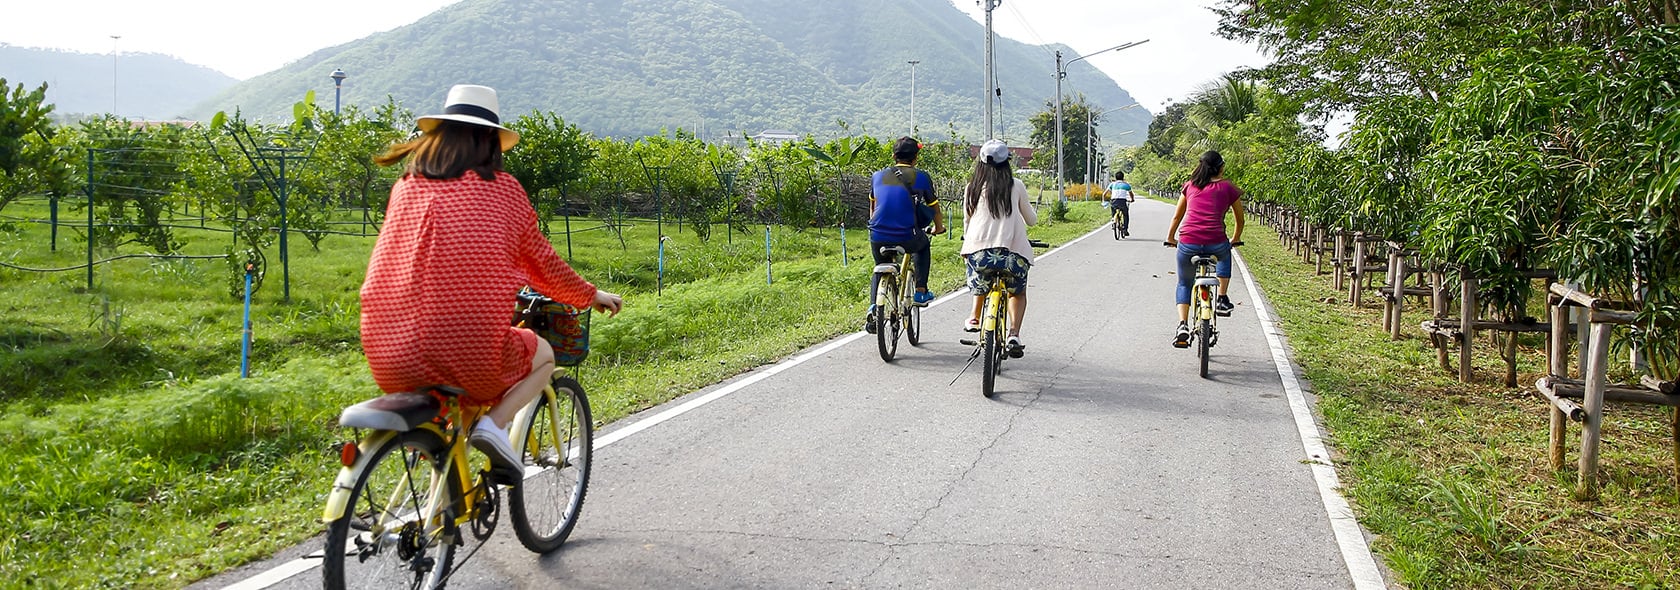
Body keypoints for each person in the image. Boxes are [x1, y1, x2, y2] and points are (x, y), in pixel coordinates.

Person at [359, 84, 624, 481]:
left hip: (388, 352)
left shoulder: (406, 188)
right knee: (545, 355)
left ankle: (445, 481)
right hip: (469, 353)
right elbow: (542, 265)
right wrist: (591, 295)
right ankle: (495, 425)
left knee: (453, 404)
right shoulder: (504, 191)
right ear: (490, 142)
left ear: (440, 137)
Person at [959, 139, 1038, 357]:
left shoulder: (972, 188)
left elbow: (967, 222)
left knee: (980, 279)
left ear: (981, 162)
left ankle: (974, 317)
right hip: (1012, 255)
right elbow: (1031, 220)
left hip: (979, 254)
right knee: (1018, 292)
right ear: (1007, 163)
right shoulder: (1017, 185)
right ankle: (1014, 333)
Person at [1163, 150, 1245, 348]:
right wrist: (1235, 239)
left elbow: (1177, 217)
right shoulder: (1228, 187)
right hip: (1216, 241)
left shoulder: (1190, 186)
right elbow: (1239, 219)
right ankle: (1222, 299)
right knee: (1225, 256)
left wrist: (1170, 238)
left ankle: (1182, 324)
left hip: (1188, 241)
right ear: (1221, 167)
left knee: (1184, 283)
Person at [865, 136, 946, 333]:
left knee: (880, 266)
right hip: (907, 236)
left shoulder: (878, 176)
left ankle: (874, 307)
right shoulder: (921, 177)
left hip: (877, 234)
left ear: (894, 156)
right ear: (915, 158)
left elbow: (873, 208)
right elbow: (934, 209)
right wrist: (938, 228)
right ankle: (920, 291)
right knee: (923, 245)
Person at [1105, 170, 1135, 237]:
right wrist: (1132, 200)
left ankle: (1113, 220)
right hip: (1122, 202)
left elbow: (1104, 194)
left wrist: (1104, 201)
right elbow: (1131, 194)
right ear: (1123, 177)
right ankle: (1125, 229)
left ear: (1115, 178)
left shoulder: (1112, 184)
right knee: (1125, 215)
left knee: (1113, 210)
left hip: (1113, 201)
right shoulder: (1126, 185)